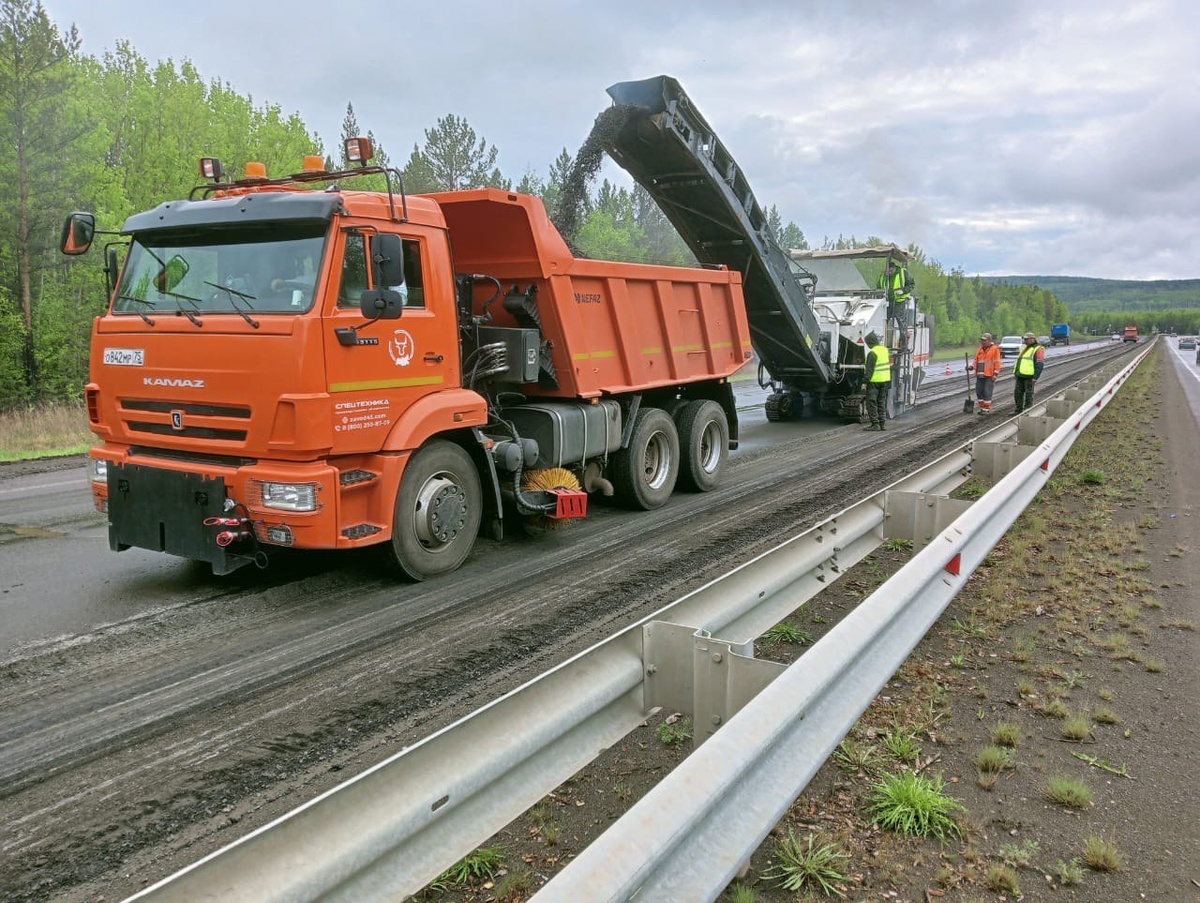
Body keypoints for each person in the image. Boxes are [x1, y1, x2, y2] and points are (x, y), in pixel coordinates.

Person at [862, 330, 891, 431]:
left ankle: (875, 424)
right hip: (884, 380)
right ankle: (882, 423)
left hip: (874, 381)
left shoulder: (872, 353)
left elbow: (869, 370)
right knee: (881, 402)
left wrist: (864, 382)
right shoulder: (884, 350)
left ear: (870, 342)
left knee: (871, 402)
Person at [968, 333, 1002, 414]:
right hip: (980, 375)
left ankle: (986, 409)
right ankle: (982, 408)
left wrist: (995, 374)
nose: (982, 342)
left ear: (989, 341)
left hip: (989, 375)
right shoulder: (980, 349)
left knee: (987, 392)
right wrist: (971, 367)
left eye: (984, 340)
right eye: (982, 340)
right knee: (979, 392)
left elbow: (997, 363)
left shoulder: (994, 349)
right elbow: (976, 361)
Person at [1013, 332, 1045, 414]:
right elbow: (1020, 361)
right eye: (1024, 339)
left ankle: (1028, 411)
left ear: (1032, 339)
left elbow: (1040, 364)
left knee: (1029, 395)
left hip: (1029, 377)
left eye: (1026, 339)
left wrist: (1035, 377)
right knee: (1017, 394)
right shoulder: (1024, 348)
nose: (1025, 340)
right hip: (1020, 375)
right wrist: (1016, 373)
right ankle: (1018, 409)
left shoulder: (1038, 349)